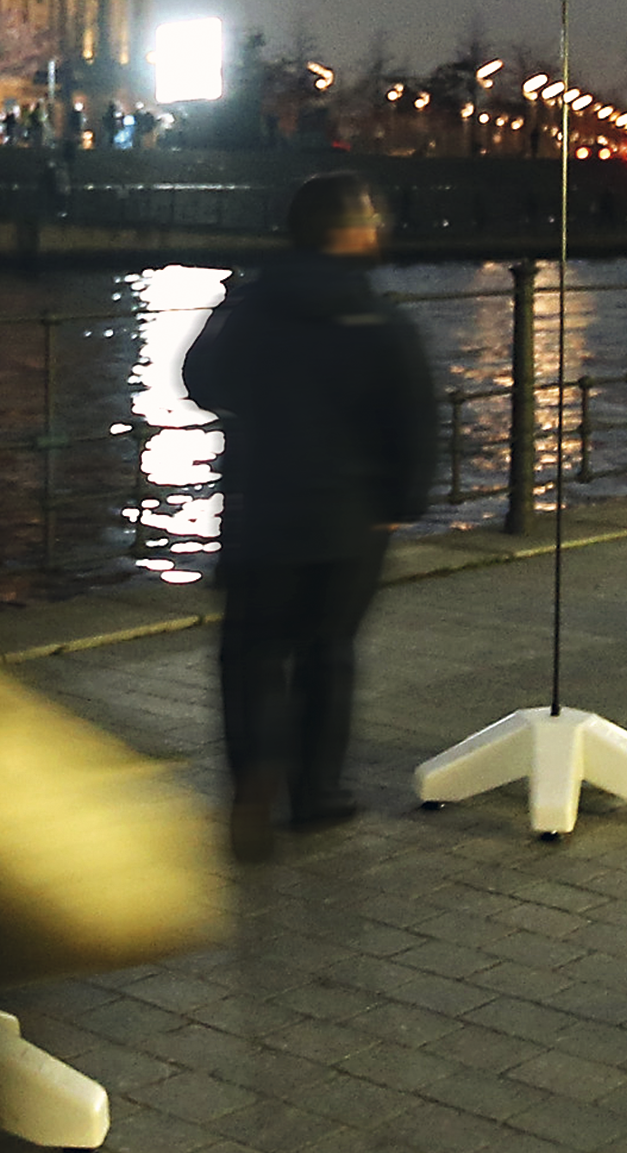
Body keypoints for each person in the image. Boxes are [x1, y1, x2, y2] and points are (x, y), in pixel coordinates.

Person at [182, 172, 437, 859]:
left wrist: (224, 314)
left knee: (253, 654)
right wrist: (400, 503)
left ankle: (253, 784)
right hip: (348, 519)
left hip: (262, 507)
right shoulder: (379, 318)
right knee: (328, 652)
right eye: (371, 219)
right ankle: (317, 792)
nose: (378, 229)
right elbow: (412, 418)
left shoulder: (253, 305)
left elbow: (202, 384)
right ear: (348, 231)